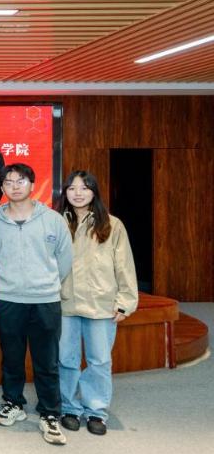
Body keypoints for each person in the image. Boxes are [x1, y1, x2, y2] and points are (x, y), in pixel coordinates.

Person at [0, 163, 73, 445]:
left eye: (21, 181)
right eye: (9, 182)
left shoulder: (52, 219)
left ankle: (49, 413)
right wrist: (11, 278)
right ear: (2, 187)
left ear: (32, 185)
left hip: (45, 299)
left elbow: (64, 259)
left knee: (46, 360)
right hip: (8, 297)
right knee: (11, 357)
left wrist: (45, 282)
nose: (15, 186)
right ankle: (13, 403)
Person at [56, 170, 138, 436]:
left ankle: (96, 411)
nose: (78, 193)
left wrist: (125, 301)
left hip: (100, 303)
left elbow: (124, 266)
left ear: (94, 192)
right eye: (72, 188)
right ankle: (69, 407)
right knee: (66, 359)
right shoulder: (56, 222)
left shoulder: (112, 224)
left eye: (84, 187)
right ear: (65, 193)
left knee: (99, 360)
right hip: (65, 303)